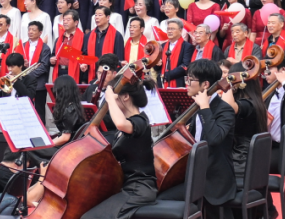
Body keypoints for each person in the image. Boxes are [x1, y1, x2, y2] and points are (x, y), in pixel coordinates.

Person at [158, 58, 236, 213]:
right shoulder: (196, 107)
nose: (187, 83)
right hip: (195, 175)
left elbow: (214, 139)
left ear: (205, 84)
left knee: (161, 201)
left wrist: (205, 107)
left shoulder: (224, 110)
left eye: (190, 79)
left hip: (213, 181)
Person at [82, 77, 158, 219]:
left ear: (125, 96)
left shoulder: (140, 121)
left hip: (138, 189)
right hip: (126, 186)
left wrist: (110, 99)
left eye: (115, 98)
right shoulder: (128, 125)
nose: (112, 103)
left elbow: (121, 124)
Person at [25, 74, 86, 169]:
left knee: (30, 149)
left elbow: (65, 137)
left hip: (67, 149)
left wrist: (48, 143)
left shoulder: (70, 110)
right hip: (68, 146)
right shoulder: (72, 106)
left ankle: (46, 168)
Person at [227, 61, 269, 176]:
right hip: (248, 162)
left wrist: (228, 85)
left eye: (230, 77)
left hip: (240, 165)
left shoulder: (247, 104)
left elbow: (229, 107)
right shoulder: (255, 102)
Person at [158, 18, 191, 87]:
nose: (169, 31)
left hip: (178, 82)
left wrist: (167, 75)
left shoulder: (187, 46)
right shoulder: (163, 46)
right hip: (162, 82)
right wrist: (157, 64)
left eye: (172, 29)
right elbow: (157, 68)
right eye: (168, 29)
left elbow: (185, 66)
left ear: (180, 30)